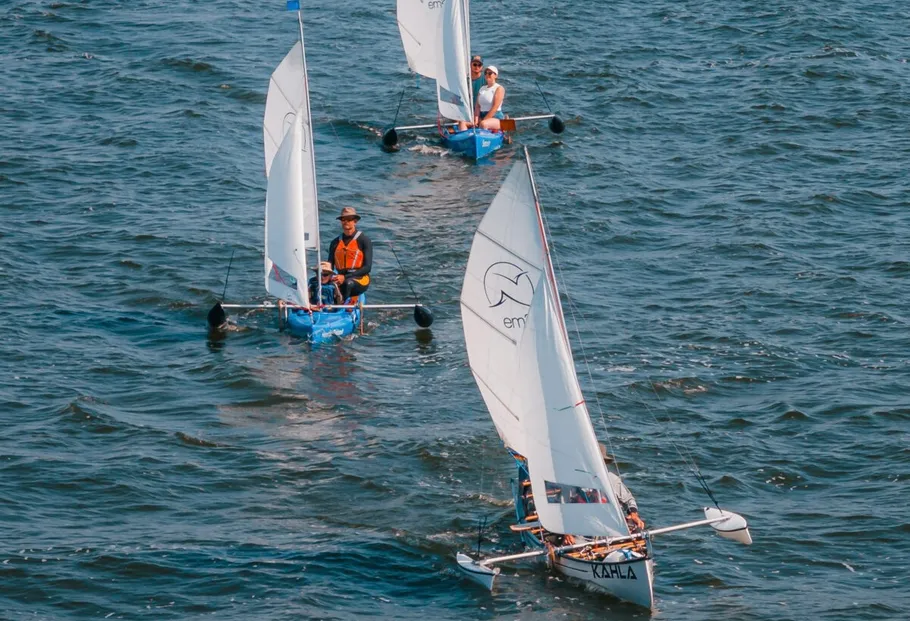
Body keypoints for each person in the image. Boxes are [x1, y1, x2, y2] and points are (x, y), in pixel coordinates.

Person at [327, 207, 372, 302]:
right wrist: (325, 276)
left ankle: (341, 306)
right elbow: (330, 265)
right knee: (317, 283)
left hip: (360, 278)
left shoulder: (364, 240)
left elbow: (367, 268)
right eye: (343, 219)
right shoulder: (335, 242)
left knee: (348, 284)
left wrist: (345, 277)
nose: (346, 222)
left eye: (349, 219)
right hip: (340, 277)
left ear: (355, 221)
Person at [601, 444, 646, 532]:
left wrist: (633, 514)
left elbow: (629, 500)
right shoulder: (576, 480)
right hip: (583, 528)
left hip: (610, 526)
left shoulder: (611, 479)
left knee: (637, 530)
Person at [474, 65, 505, 131]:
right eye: (485, 73)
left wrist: (483, 120)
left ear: (496, 75)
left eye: (490, 73)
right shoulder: (482, 88)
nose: (487, 75)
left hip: (495, 116)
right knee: (462, 122)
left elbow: (495, 107)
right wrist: (476, 120)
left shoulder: (499, 88)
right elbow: (477, 106)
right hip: (482, 116)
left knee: (483, 124)